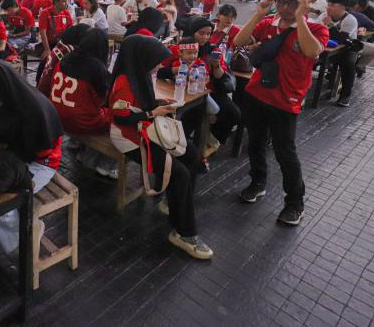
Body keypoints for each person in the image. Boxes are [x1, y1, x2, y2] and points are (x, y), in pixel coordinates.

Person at [233, 0, 329, 225]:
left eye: (292, 2)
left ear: (305, 3)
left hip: (287, 100)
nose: (285, 7)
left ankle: (295, 203)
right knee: (254, 143)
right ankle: (258, 182)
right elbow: (238, 42)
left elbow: (311, 52)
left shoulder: (316, 29)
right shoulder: (267, 24)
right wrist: (258, 15)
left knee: (285, 152)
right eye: (280, 1)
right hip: (257, 93)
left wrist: (299, 19)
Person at [108, 35, 212, 259]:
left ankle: (175, 205)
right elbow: (121, 117)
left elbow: (138, 106)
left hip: (143, 129)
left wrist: (156, 104)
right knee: (179, 173)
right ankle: (184, 233)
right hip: (128, 138)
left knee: (192, 154)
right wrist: (152, 113)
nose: (160, 65)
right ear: (142, 58)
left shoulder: (140, 75)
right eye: (156, 61)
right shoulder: (125, 82)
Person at [0, 59, 63, 255]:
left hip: (41, 163)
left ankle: (23, 239)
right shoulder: (8, 98)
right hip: (15, 154)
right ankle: (12, 235)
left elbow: (31, 153)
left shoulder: (35, 113)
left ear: (1, 89)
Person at [161, 17, 241, 149]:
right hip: (183, 91)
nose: (205, 37)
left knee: (233, 114)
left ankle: (212, 135)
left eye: (208, 34)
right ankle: (181, 146)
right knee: (190, 115)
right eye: (201, 33)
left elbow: (221, 79)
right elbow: (160, 71)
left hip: (210, 91)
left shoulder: (213, 51)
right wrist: (180, 69)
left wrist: (216, 66)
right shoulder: (178, 49)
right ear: (192, 31)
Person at [49, 28, 117, 178]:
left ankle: (84, 154)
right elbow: (103, 99)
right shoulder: (96, 67)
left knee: (86, 109)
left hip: (56, 115)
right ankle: (105, 164)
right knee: (117, 118)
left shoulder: (65, 58)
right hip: (79, 122)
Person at [316, 0, 359, 107]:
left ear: (343, 7)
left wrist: (329, 24)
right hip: (326, 47)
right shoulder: (324, 15)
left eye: (333, 5)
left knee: (348, 64)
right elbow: (314, 30)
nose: (328, 8)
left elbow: (341, 39)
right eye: (328, 5)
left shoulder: (350, 20)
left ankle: (345, 95)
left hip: (346, 49)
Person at [37, 0, 75, 83]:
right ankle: (40, 81)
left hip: (62, 44)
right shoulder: (45, 13)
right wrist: (47, 49)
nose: (67, 4)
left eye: (67, 1)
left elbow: (71, 31)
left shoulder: (66, 13)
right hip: (49, 44)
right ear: (56, 2)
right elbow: (43, 33)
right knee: (48, 59)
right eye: (64, 1)